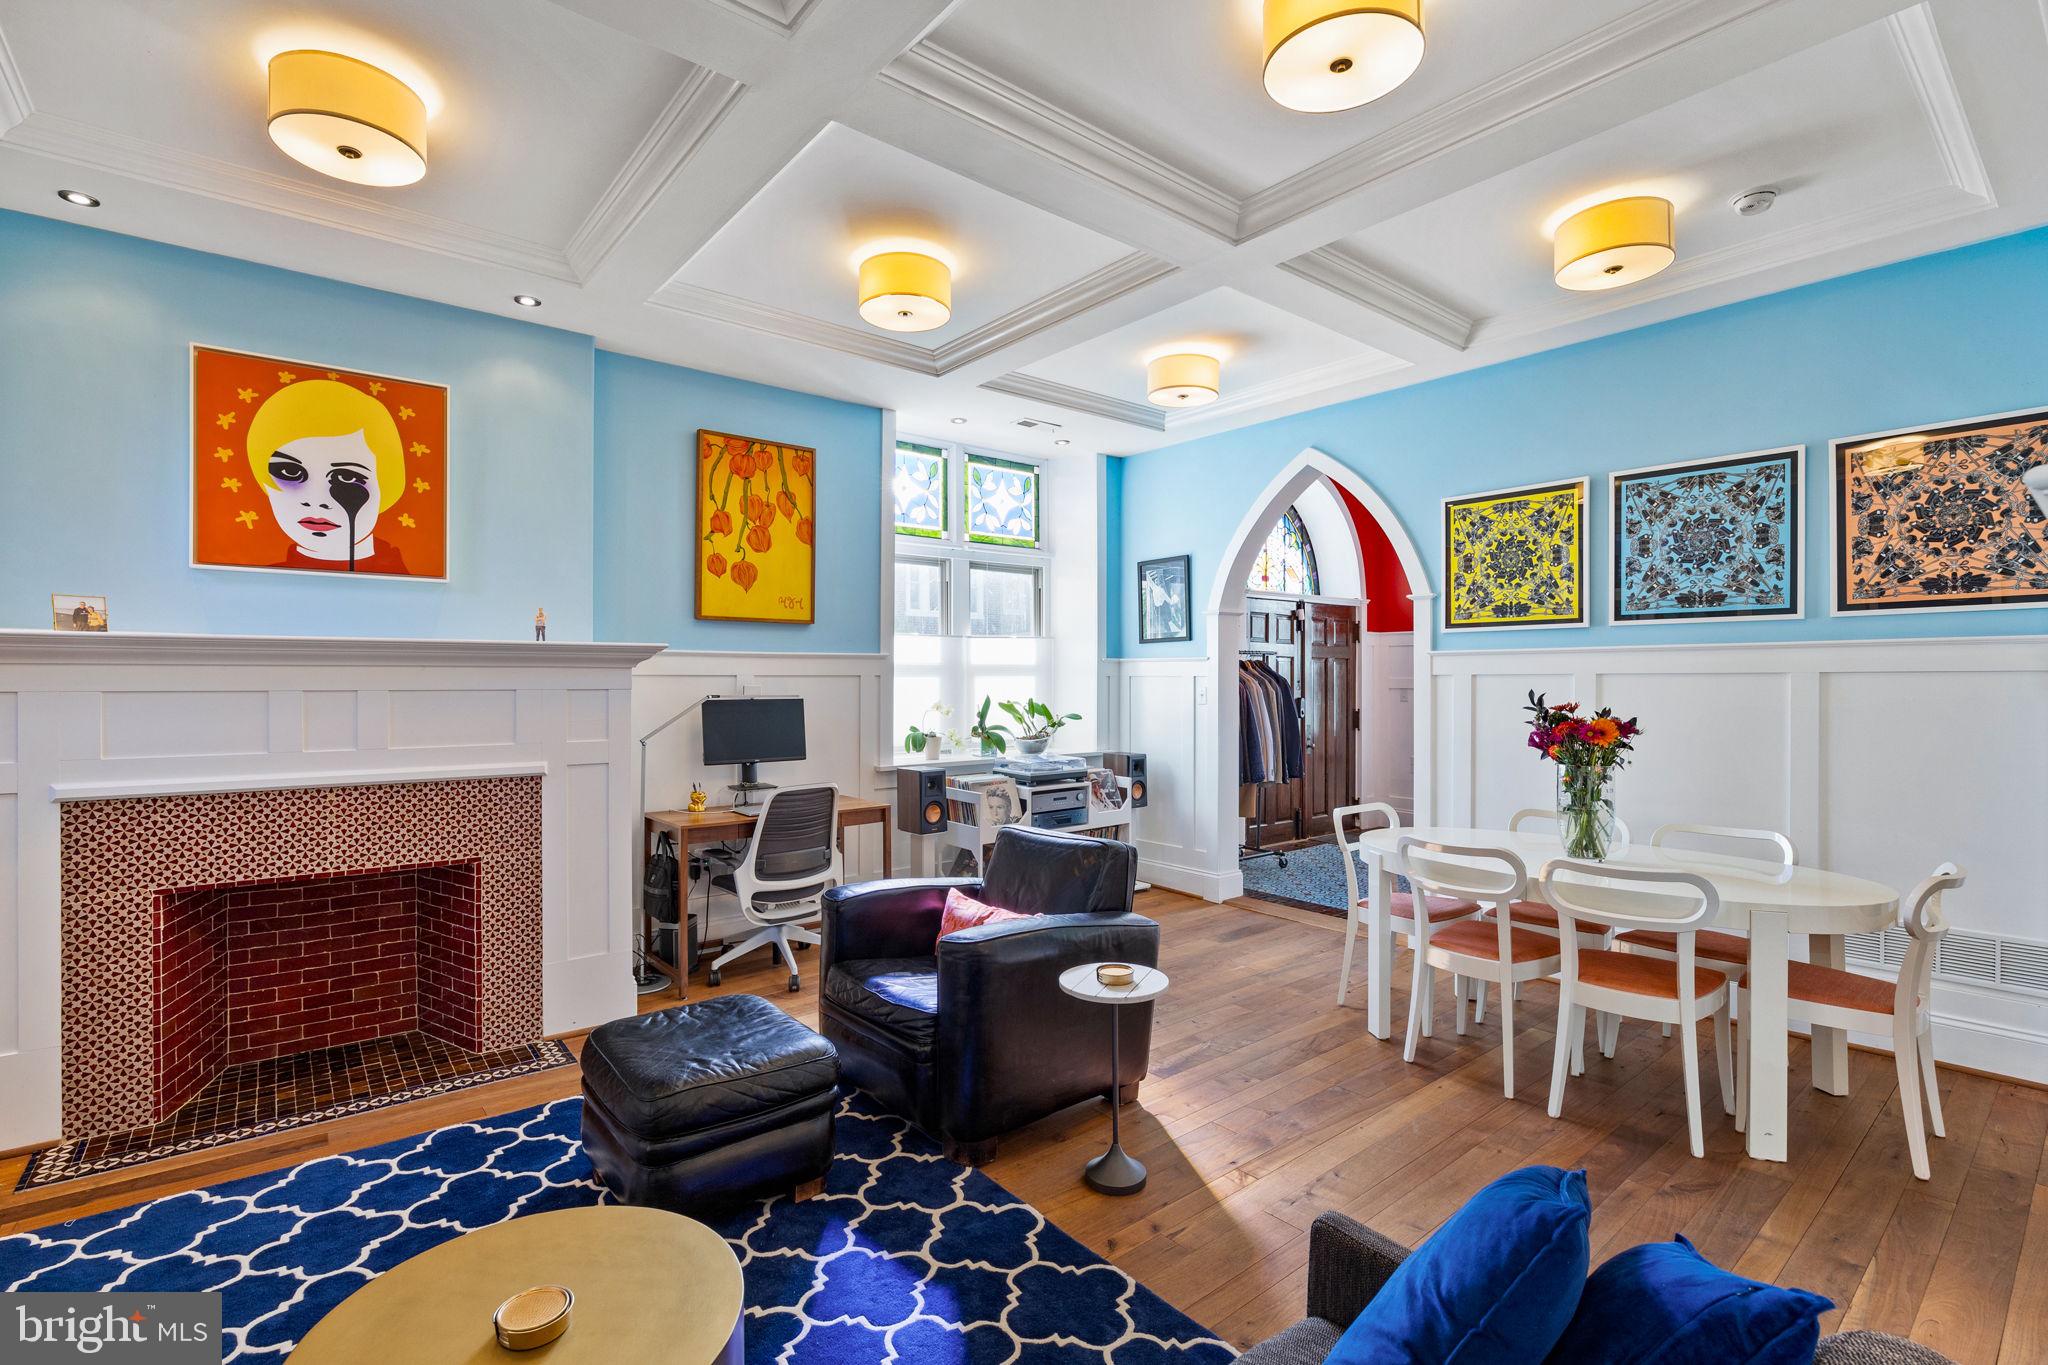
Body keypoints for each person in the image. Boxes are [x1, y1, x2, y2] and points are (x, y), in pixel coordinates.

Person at [245, 379, 410, 574]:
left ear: (385, 485)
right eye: (291, 472)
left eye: (347, 477)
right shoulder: (263, 584)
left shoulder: (409, 586)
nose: (316, 501)